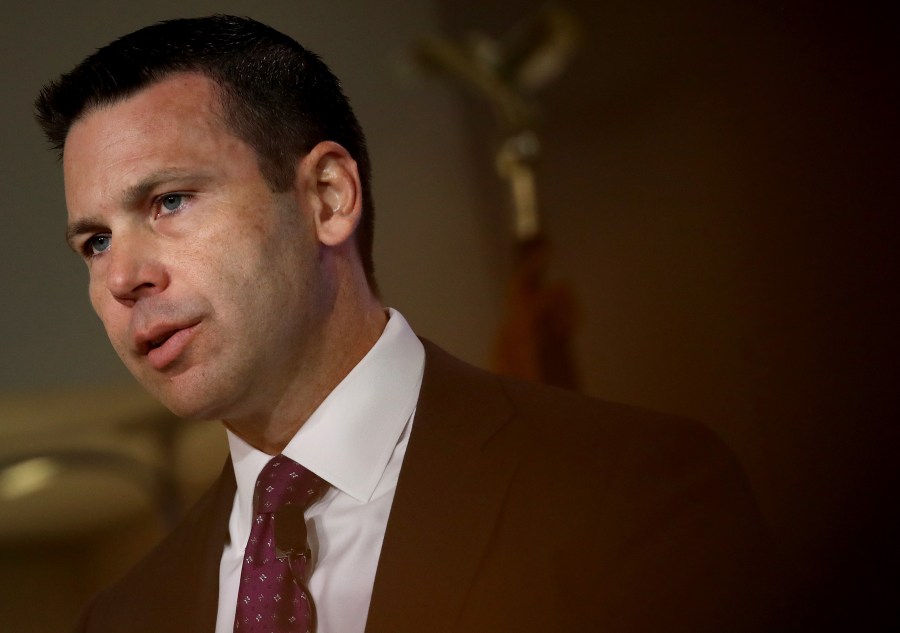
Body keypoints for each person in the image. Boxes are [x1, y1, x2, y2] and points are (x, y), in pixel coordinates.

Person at [35, 15, 776, 633]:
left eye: (168, 202)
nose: (123, 276)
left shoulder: (627, 493)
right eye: (93, 242)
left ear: (327, 197)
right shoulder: (122, 617)